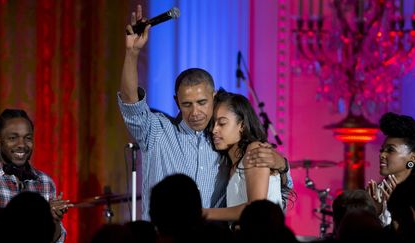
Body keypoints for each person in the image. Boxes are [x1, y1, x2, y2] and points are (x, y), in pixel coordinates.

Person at [118, 4, 292, 220]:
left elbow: (269, 189)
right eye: (187, 104)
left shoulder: (224, 140)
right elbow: (130, 102)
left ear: (213, 98)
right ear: (176, 102)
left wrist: (283, 165)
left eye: (202, 102)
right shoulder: (157, 132)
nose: (196, 112)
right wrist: (132, 52)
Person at [203, 90, 292, 221]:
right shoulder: (230, 163)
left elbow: (256, 209)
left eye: (222, 123)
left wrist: (203, 213)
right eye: (213, 124)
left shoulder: (254, 150)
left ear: (242, 125)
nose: (214, 130)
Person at [0, 109, 72, 243]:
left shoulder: (45, 182)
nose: (22, 145)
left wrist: (52, 221)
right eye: (13, 138)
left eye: (28, 138)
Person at [366, 112, 415, 226]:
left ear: (413, 158)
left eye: (390, 150)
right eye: (382, 150)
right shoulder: (378, 191)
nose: (382, 155)